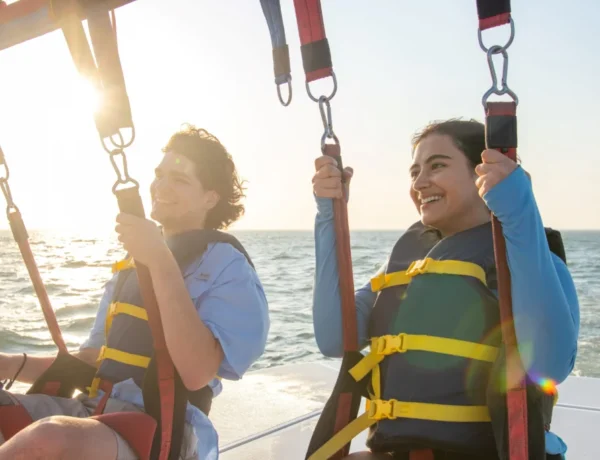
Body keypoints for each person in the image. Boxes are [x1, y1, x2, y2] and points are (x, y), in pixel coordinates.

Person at [310, 119, 580, 459]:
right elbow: (333, 336)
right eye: (414, 172)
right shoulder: (403, 264)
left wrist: (519, 213)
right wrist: (328, 215)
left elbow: (548, 363)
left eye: (437, 166)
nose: (420, 183)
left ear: (483, 174)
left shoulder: (530, 261)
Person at [0, 125, 270, 460]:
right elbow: (91, 361)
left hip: (163, 431)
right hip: (94, 410)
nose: (161, 186)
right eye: (160, 174)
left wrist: (159, 259)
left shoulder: (228, 267)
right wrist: (9, 363)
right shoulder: (131, 265)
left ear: (210, 197)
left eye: (180, 179)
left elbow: (197, 371)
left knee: (48, 437)